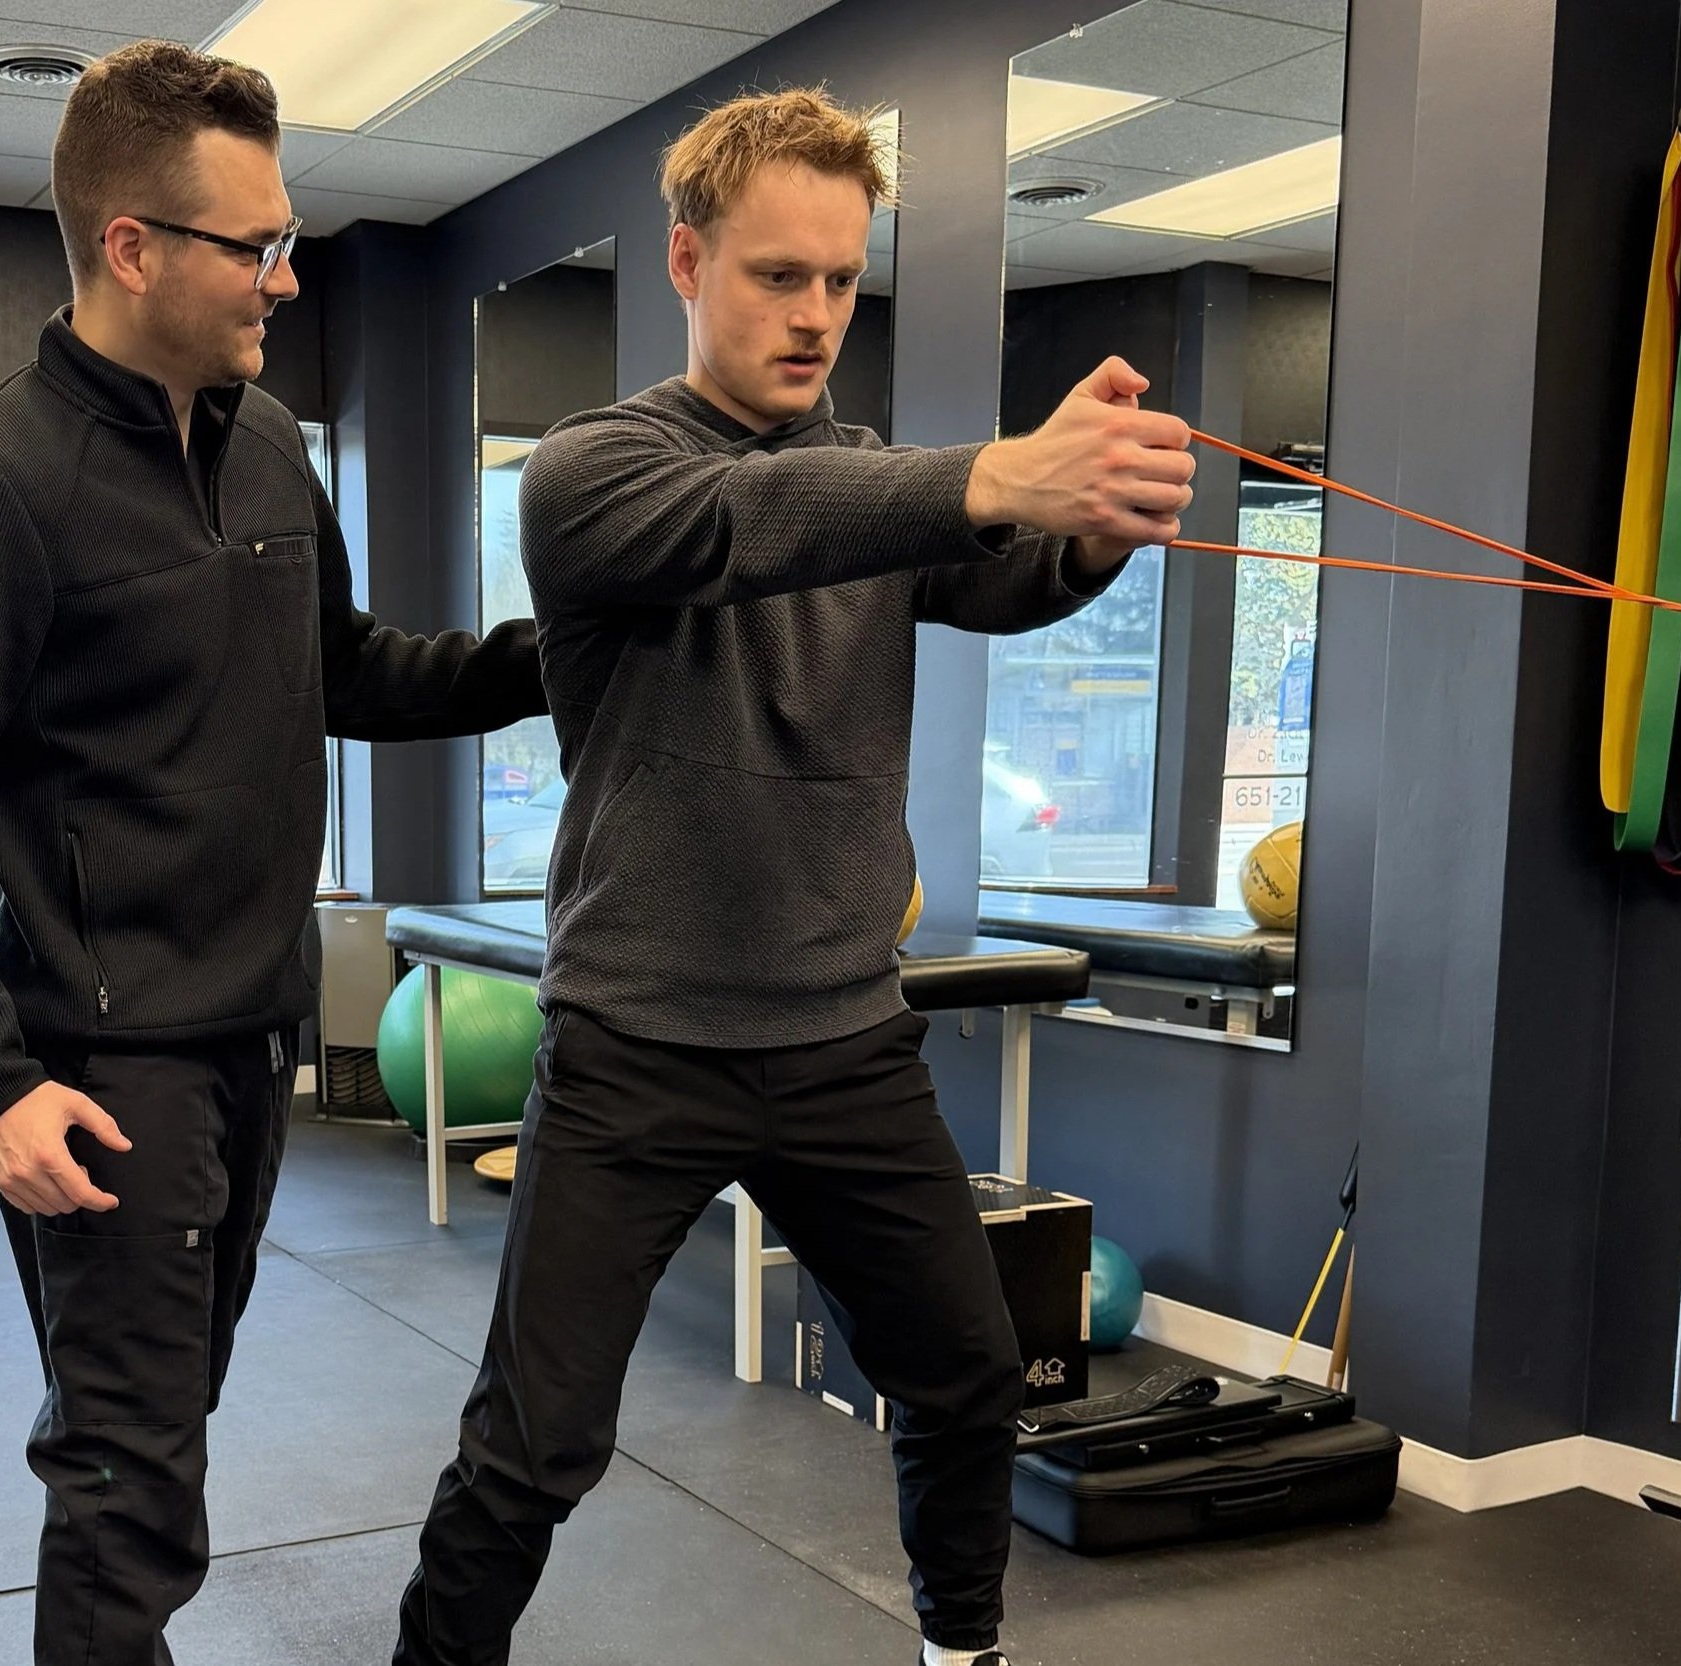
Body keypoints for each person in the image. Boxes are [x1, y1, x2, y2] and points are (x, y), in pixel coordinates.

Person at [390, 87, 1195, 1666]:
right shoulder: (592, 473)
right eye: (779, 275)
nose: (818, 312)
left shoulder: (874, 475)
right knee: (533, 1444)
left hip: (840, 1039)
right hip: (638, 1041)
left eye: (842, 278)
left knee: (969, 1373)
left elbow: (1000, 567)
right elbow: (759, 524)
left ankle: (961, 1647)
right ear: (687, 264)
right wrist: (992, 476)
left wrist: (1091, 524)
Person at [0, 40, 546, 1666]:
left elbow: (347, 670)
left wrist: (555, 656)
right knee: (130, 1483)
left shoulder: (274, 444)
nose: (286, 279)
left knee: (159, 1425)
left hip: (252, 1033)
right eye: (257, 246)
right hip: (101, 1064)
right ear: (133, 245)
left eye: (288, 240)